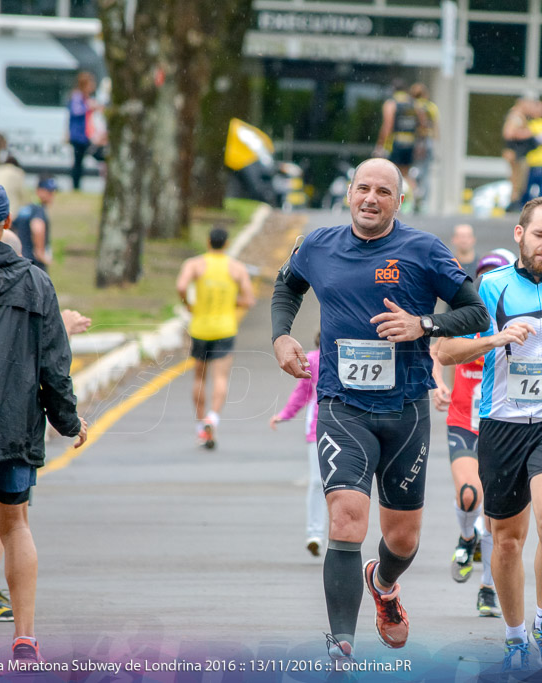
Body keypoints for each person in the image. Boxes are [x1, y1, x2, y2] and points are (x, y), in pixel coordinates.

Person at [270, 158, 489, 663]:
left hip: (406, 410)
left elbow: (476, 312)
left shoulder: (423, 250)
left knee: (403, 539)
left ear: (398, 200)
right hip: (342, 405)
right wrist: (281, 336)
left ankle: (383, 583)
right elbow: (288, 287)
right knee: (346, 520)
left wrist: (423, 325)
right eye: (363, 188)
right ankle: (341, 645)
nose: (371, 198)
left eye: (383, 192)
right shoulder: (317, 244)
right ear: (349, 193)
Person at [434, 197, 542, 673]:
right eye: (539, 235)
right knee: (507, 540)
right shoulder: (488, 288)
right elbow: (446, 348)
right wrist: (494, 339)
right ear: (519, 234)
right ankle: (514, 637)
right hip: (501, 424)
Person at [0, 180, 87, 671]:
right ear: (7, 224)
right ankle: (25, 640)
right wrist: (68, 421)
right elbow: (54, 364)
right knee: (15, 523)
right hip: (15, 424)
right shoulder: (35, 282)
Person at [430, 249, 516, 618]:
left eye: (496, 275)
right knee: (469, 497)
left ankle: (487, 589)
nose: (487, 283)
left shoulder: (519, 322)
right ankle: (467, 538)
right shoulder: (467, 318)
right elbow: (437, 352)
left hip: (504, 425)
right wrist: (436, 385)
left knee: (497, 517)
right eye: (483, 276)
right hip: (463, 420)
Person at [176, 227, 255, 449]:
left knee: (200, 378)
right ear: (227, 244)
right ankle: (213, 418)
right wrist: (232, 302)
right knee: (221, 378)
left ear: (208, 242)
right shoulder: (236, 268)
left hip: (200, 328)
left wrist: (189, 304)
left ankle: (201, 427)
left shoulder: (195, 264)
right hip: (225, 329)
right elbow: (249, 299)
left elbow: (181, 286)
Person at [270, 332, 326, 557]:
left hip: (349, 428)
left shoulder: (352, 358)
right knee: (316, 482)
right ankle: (315, 534)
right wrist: (284, 414)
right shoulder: (312, 360)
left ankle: (343, 535)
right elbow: (302, 393)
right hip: (316, 429)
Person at [374, 80, 420, 208]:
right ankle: (416, 196)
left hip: (396, 142)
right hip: (410, 142)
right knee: (405, 173)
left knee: (391, 173)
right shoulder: (412, 103)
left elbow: (387, 125)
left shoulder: (391, 103)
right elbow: (420, 123)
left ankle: (392, 203)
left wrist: (380, 144)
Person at [12, 176, 58, 273]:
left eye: (53, 192)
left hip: (20, 260)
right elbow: (37, 227)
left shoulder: (24, 209)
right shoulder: (39, 209)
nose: (52, 195)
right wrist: (40, 253)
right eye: (48, 191)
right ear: (38, 190)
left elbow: (12, 227)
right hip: (35, 264)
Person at [68, 71, 104, 190]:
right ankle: (76, 186)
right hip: (78, 136)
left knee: (80, 162)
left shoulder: (86, 98)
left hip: (85, 135)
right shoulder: (77, 97)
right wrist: (89, 106)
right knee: (79, 162)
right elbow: (76, 111)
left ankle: (76, 186)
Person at [410, 83, 439, 214]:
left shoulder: (413, 106)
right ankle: (424, 203)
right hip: (428, 141)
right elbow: (436, 127)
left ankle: (414, 199)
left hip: (416, 141)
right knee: (426, 173)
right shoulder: (431, 107)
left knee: (412, 172)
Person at [502, 99, 535, 211]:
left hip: (518, 153)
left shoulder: (519, 116)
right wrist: (527, 133)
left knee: (518, 180)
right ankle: (513, 204)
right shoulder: (516, 116)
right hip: (515, 153)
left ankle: (514, 203)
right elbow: (508, 133)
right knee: (517, 180)